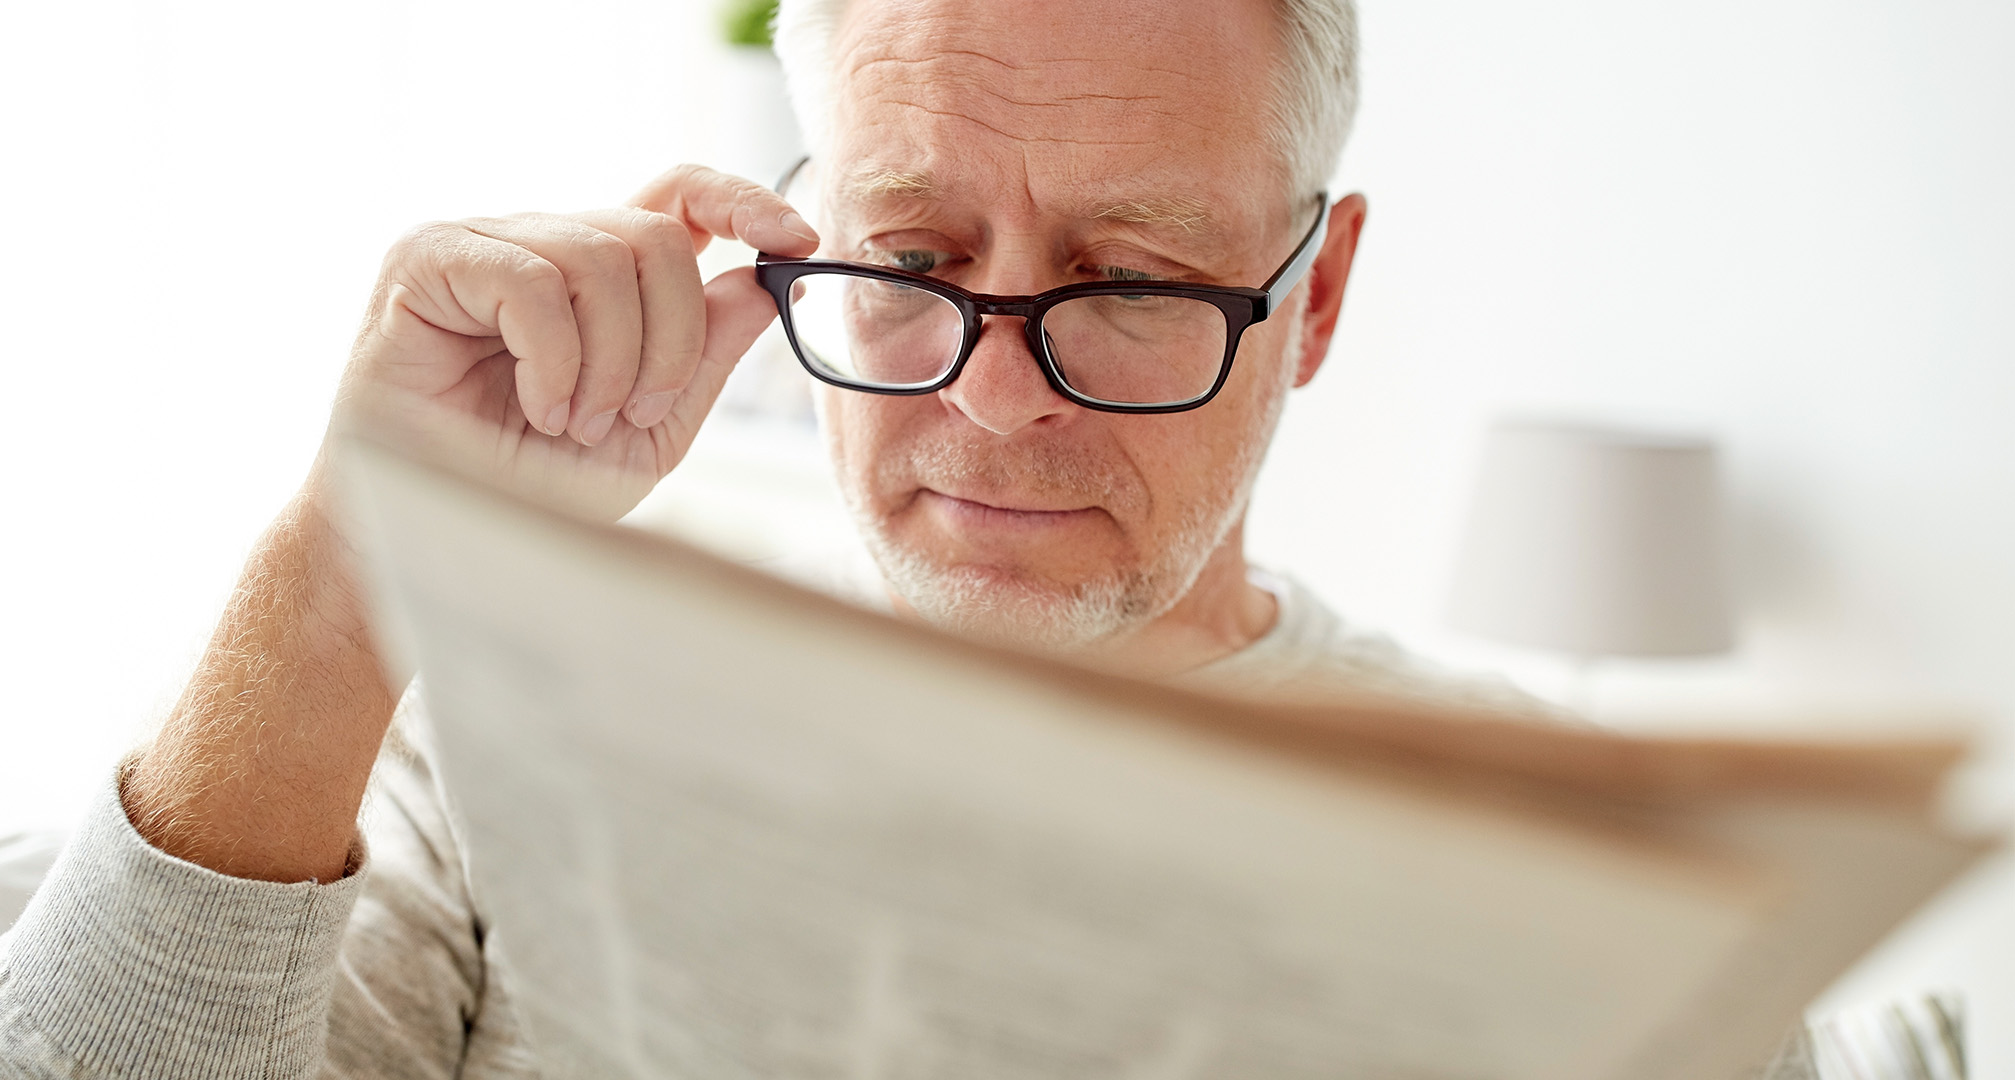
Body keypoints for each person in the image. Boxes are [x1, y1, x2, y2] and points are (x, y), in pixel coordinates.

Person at [0, 0, 1804, 1076]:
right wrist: (351, 561)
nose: (999, 401)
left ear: (1314, 299)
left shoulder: (1599, 893)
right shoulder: (488, 740)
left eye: (1131, 279)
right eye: (917, 260)